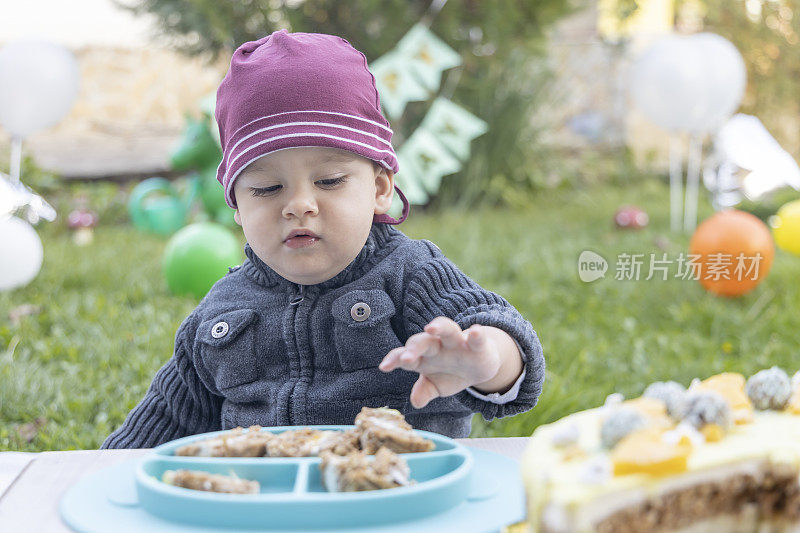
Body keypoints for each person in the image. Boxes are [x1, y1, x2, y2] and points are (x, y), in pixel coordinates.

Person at [102, 30, 544, 448]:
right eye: (266, 188)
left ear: (379, 188)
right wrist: (101, 473)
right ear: (235, 204)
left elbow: (497, 329)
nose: (298, 205)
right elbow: (163, 421)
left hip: (396, 496)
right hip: (267, 505)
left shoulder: (411, 274)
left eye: (329, 180)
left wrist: (486, 363)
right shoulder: (221, 309)